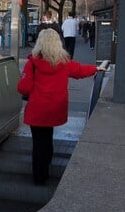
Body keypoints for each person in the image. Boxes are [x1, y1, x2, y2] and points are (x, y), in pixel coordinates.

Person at [17, 28, 103, 185]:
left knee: (38, 142)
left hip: (37, 109)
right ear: (58, 43)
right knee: (48, 136)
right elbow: (80, 71)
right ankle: (48, 163)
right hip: (55, 108)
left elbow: (24, 88)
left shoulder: (32, 63)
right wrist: (96, 69)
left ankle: (39, 177)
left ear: (40, 43)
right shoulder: (64, 63)